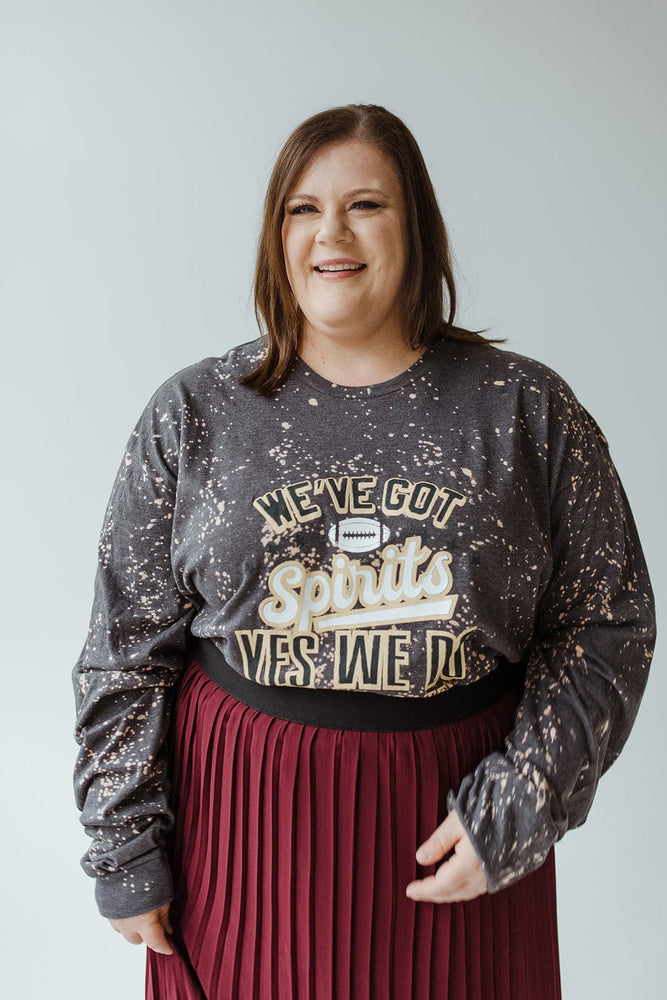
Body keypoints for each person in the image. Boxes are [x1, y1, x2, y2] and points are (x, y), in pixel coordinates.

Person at [73, 104, 655, 1000]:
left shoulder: (524, 411)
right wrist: (122, 843)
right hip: (240, 823)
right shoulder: (193, 413)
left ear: (416, 226)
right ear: (276, 237)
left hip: (454, 828)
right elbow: (125, 644)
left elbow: (606, 625)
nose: (330, 234)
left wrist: (523, 800)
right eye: (301, 209)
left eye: (365, 205)